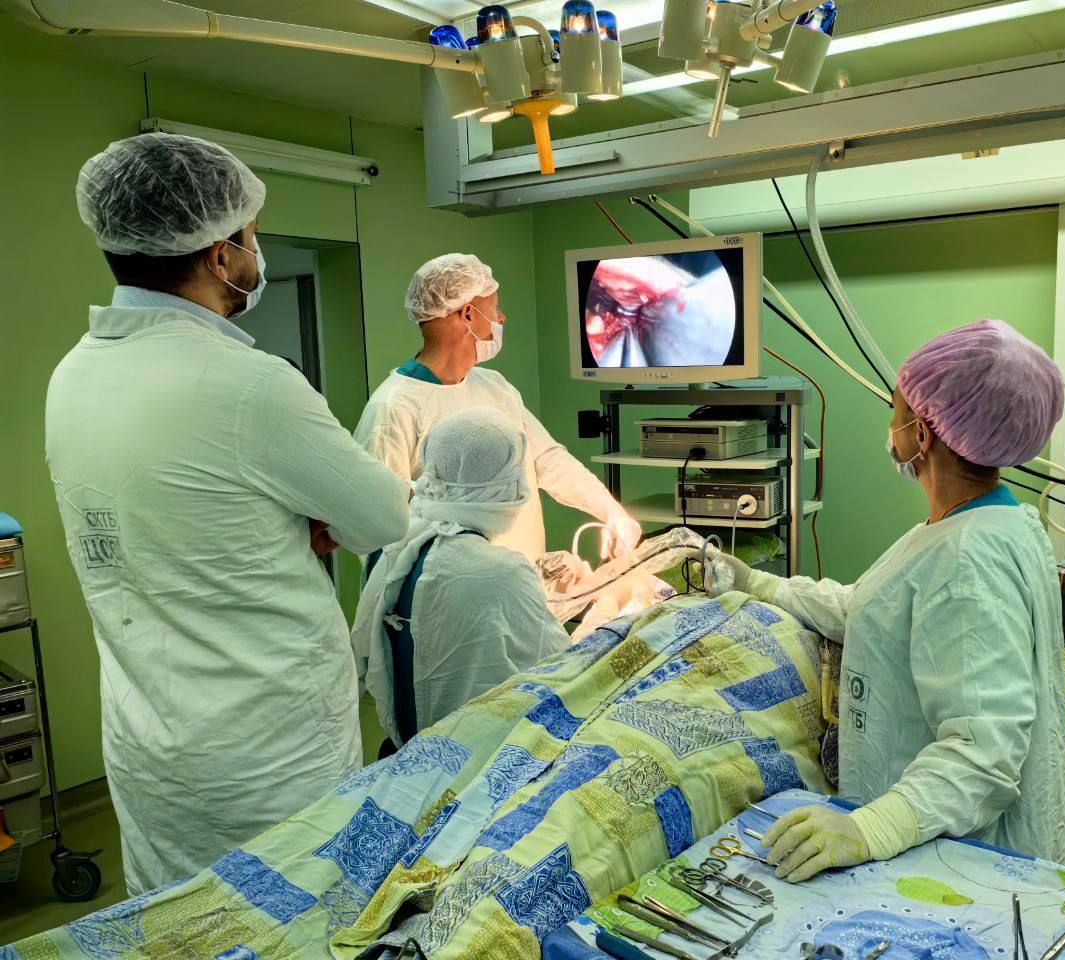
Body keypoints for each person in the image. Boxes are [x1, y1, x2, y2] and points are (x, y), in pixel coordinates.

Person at [47, 133, 410, 893]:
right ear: (219, 255)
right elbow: (382, 517)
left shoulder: (74, 375)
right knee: (297, 915)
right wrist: (312, 519)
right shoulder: (249, 384)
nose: (257, 252)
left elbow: (173, 517)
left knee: (180, 923)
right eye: (251, 236)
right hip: (265, 753)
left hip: (150, 745)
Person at [708, 319, 1065, 879]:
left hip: (963, 862)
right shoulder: (985, 523)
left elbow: (984, 752)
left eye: (895, 409)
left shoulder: (967, 561)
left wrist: (872, 828)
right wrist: (761, 585)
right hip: (929, 839)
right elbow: (877, 607)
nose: (890, 425)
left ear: (922, 434)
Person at [354, 253, 641, 562]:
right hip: (452, 586)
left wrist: (610, 511)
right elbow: (376, 527)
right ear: (467, 314)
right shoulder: (394, 408)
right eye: (494, 307)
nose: (501, 318)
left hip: (522, 577)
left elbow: (547, 459)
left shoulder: (493, 386)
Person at [352, 408, 568, 748]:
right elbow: (564, 673)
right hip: (474, 755)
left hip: (405, 744)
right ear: (507, 484)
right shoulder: (503, 572)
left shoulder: (393, 547)